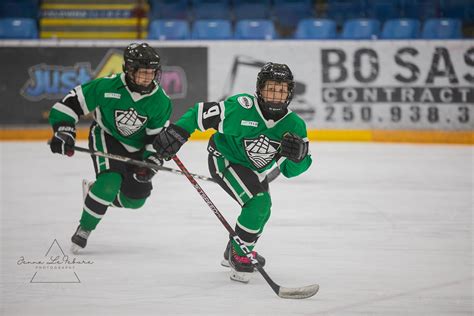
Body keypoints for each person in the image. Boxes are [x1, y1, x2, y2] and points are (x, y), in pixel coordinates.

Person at [152, 62, 312, 283]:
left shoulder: (294, 125)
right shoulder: (241, 107)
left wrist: (299, 158)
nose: (275, 95)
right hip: (225, 159)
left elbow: (291, 171)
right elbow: (200, 113)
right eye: (271, 88)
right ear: (259, 89)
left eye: (281, 90)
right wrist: (178, 132)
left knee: (263, 211)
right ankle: (240, 255)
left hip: (255, 170)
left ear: (289, 93)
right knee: (258, 203)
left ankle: (235, 250)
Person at [48, 43, 171, 253]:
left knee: (135, 200)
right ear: (128, 70)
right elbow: (69, 105)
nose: (147, 78)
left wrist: (151, 160)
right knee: (109, 183)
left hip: (138, 148)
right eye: (141, 73)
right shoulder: (106, 87)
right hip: (107, 137)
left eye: (151, 73)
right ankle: (85, 227)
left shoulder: (160, 101)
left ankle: (95, 193)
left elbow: (156, 138)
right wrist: (64, 130)